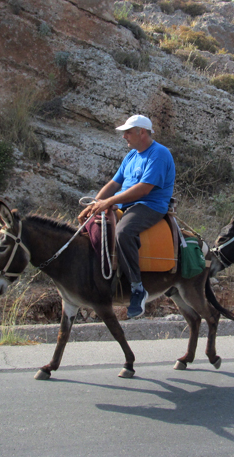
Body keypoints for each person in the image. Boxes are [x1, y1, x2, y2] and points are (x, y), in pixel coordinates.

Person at [79, 115, 175, 319]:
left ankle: (137, 288)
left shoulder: (159, 154)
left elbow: (143, 190)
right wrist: (95, 204)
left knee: (123, 232)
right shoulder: (131, 156)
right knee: (90, 228)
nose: (124, 136)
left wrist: (110, 202)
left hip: (149, 206)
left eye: (128, 132)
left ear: (142, 132)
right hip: (126, 205)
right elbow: (114, 184)